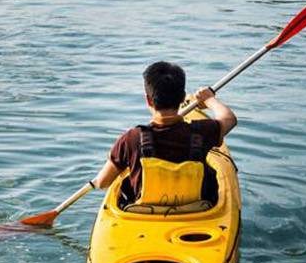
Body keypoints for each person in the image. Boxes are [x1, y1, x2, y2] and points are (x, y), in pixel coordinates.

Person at [89, 61, 238, 210]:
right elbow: (229, 119)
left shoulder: (131, 139)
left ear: (148, 100)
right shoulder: (202, 132)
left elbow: (103, 182)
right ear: (182, 98)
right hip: (197, 210)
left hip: (143, 214)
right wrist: (209, 99)